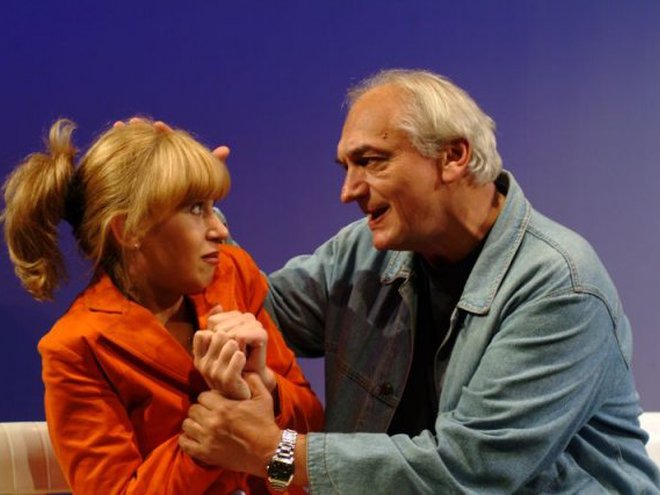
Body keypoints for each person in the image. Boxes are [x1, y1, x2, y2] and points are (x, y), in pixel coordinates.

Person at [178, 69, 660, 493]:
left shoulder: (560, 286)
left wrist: (275, 452)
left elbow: (470, 472)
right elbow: (251, 309)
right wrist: (183, 208)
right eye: (347, 167)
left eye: (371, 161)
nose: (348, 191)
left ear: (453, 156)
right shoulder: (362, 251)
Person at [1, 118, 323, 494]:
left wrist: (263, 385)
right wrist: (207, 445)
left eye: (213, 206)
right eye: (196, 209)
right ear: (129, 230)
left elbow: (311, 429)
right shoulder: (78, 347)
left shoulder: (233, 273)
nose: (220, 230)